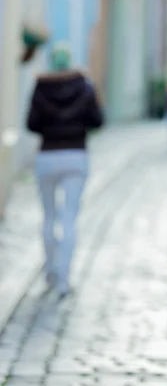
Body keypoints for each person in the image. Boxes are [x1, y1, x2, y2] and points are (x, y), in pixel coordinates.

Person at [27, 43, 103, 299]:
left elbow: (31, 123)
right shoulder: (84, 85)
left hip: (47, 156)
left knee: (49, 217)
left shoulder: (42, 86)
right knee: (69, 218)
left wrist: (52, 124)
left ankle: (50, 270)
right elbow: (97, 120)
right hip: (75, 155)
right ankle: (64, 278)